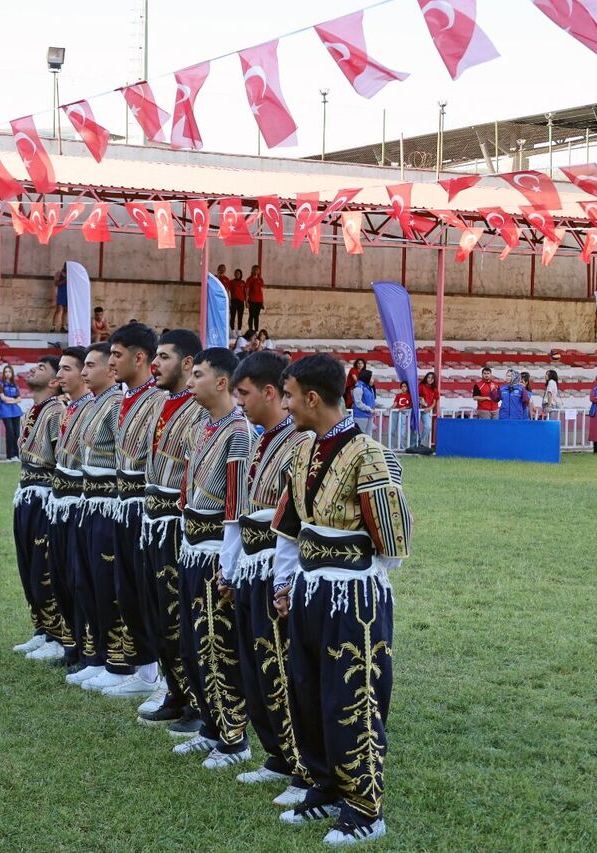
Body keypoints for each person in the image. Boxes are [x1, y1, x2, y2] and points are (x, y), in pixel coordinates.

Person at [271, 354, 411, 845]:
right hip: (309, 592)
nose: (285, 404)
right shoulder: (301, 450)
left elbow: (391, 541)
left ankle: (365, 808)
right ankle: (324, 787)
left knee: (353, 696)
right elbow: (290, 528)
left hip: (354, 599)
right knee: (306, 690)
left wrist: (357, 579)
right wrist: (286, 584)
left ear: (312, 398)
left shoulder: (370, 454)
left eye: (288, 395)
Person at [223, 351, 313, 807]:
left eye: (244, 393)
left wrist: (285, 580)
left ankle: (302, 767)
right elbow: (239, 516)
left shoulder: (299, 444)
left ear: (270, 392)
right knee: (257, 669)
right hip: (252, 567)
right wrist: (233, 567)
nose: (238, 403)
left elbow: (292, 522)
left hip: (277, 568)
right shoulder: (258, 441)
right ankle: (276, 756)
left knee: (282, 668)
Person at [173, 347, 254, 767]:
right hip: (191, 548)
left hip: (214, 554)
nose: (190, 382)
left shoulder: (239, 433)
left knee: (217, 646)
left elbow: (237, 507)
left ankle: (234, 739)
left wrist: (228, 564)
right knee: (192, 644)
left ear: (222, 382)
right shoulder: (204, 426)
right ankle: (209, 726)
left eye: (198, 375)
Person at [136, 329, 208, 736]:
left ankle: (198, 702)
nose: (155, 365)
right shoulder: (163, 403)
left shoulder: (199, 411)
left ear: (186, 363)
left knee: (181, 615)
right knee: (158, 614)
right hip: (152, 520)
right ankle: (175, 691)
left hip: (178, 524)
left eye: (163, 357)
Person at [101, 323, 166, 700]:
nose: (112, 362)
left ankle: (160, 674)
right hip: (124, 505)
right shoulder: (126, 398)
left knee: (149, 591)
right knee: (127, 589)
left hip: (148, 509)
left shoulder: (157, 401)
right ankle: (143, 669)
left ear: (139, 358)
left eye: (117, 355)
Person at [64, 344, 131, 691]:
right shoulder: (92, 404)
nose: (85, 371)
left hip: (108, 503)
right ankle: (98, 655)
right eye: (84, 366)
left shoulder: (117, 404)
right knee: (85, 581)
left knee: (107, 585)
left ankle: (119, 661)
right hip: (88, 501)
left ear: (110, 370)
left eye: (92, 365)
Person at [35, 347, 93, 669]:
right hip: (60, 500)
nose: (60, 376)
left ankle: (87, 650)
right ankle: (71, 645)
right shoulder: (71, 409)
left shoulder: (92, 408)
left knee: (78, 577)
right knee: (59, 575)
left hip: (79, 502)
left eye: (66, 369)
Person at [12, 357, 68, 659]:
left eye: (42, 369)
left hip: (45, 496)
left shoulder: (57, 412)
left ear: (54, 382)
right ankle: (42, 629)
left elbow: (60, 459)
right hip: (26, 493)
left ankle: (57, 635)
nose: (32, 369)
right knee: (27, 565)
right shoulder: (31, 411)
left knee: (43, 567)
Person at [0, 365, 23, 461]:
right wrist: (13, 400)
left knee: (17, 433)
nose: (7, 373)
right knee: (10, 432)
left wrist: (10, 400)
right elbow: (3, 398)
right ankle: (9, 455)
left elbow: (19, 399)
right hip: (5, 411)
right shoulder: (0, 384)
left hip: (15, 411)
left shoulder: (15, 385)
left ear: (12, 373)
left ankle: (16, 455)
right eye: (6, 371)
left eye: (9, 372)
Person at [415, 372, 438, 447]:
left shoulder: (434, 389)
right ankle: (413, 443)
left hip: (426, 410)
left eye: (432, 378)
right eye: (429, 377)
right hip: (418, 409)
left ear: (434, 380)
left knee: (428, 426)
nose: (430, 379)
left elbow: (434, 402)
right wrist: (421, 400)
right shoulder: (421, 386)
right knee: (414, 427)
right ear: (426, 378)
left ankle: (421, 442)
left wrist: (429, 408)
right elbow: (415, 396)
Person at [389, 382, 413, 450]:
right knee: (392, 430)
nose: (403, 388)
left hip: (403, 413)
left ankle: (401, 445)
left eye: (405, 386)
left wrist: (404, 408)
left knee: (402, 431)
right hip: (396, 412)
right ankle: (392, 446)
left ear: (407, 387)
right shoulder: (398, 395)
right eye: (402, 386)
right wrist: (390, 408)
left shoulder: (410, 395)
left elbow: (410, 405)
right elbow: (395, 403)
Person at [351, 368, 376, 433]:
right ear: (366, 378)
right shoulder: (359, 388)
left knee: (368, 435)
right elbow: (358, 403)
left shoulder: (369, 388)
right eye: (372, 378)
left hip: (369, 415)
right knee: (360, 435)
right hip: (360, 416)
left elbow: (371, 401)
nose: (373, 380)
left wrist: (373, 410)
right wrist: (369, 409)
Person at [246, 265, 266, 331]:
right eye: (254, 269)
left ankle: (256, 331)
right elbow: (247, 290)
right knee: (251, 316)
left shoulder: (260, 279)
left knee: (256, 316)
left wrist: (262, 302)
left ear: (259, 271)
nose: (256, 271)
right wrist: (246, 301)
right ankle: (250, 330)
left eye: (257, 270)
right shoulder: (249, 279)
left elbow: (261, 291)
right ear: (252, 270)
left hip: (259, 301)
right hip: (252, 301)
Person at [228, 269, 248, 333]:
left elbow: (245, 293)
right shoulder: (231, 282)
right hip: (233, 301)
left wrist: (246, 302)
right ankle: (232, 330)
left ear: (241, 274)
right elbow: (227, 291)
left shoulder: (243, 282)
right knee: (232, 316)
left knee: (240, 316)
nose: (237, 274)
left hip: (241, 302)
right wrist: (228, 301)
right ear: (234, 274)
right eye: (236, 273)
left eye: (238, 273)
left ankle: (239, 330)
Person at [51, 265, 68, 333]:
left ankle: (63, 326)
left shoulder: (71, 274)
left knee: (66, 310)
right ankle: (53, 326)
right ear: (64, 267)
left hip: (68, 293)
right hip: (61, 293)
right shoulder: (59, 273)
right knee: (59, 309)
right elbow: (56, 283)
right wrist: (65, 280)